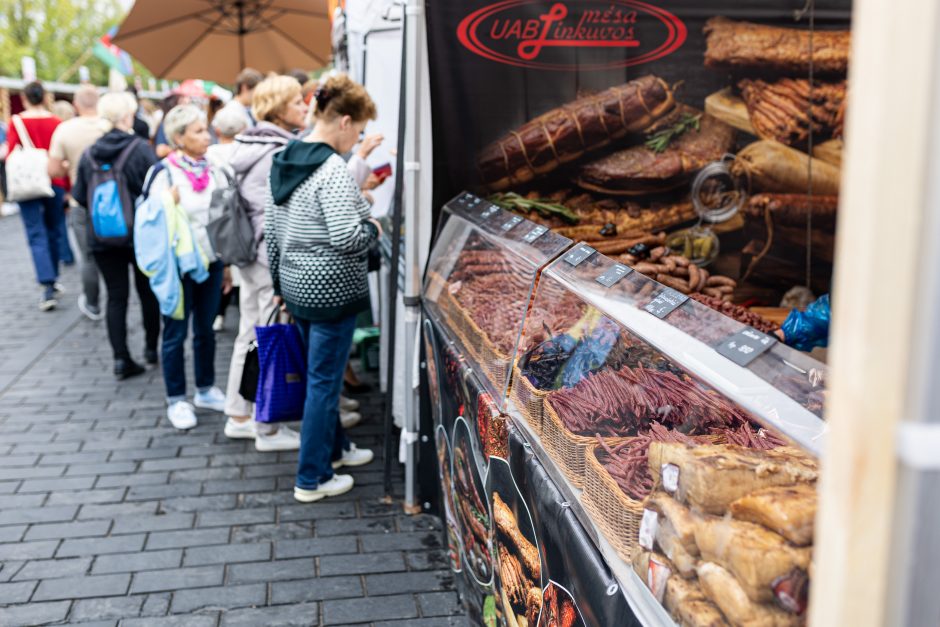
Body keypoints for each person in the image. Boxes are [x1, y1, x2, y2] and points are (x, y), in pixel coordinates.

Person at [267, 74, 381, 503]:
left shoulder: (284, 158)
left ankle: (336, 451)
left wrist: (279, 283)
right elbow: (346, 237)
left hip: (297, 285)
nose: (358, 140)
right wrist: (373, 226)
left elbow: (272, 232)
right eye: (361, 129)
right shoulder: (331, 167)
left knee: (321, 377)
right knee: (323, 383)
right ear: (344, 122)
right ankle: (311, 477)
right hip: (332, 290)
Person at [221, 75, 309, 452]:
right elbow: (277, 214)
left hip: (249, 253)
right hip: (263, 256)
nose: (305, 107)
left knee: (251, 332)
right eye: (297, 102)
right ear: (278, 107)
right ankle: (266, 426)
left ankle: (239, 413)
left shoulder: (249, 144)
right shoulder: (275, 151)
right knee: (267, 334)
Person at [147, 104, 228, 430]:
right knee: (175, 333)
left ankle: (205, 388)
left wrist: (228, 265)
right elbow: (151, 222)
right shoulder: (164, 173)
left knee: (205, 330)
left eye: (205, 129)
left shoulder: (215, 168)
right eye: (197, 131)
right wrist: (167, 202)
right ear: (179, 137)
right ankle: (176, 399)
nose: (206, 136)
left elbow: (222, 217)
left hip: (210, 262)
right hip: (179, 267)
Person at [72, 93, 160, 379]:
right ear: (127, 117)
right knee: (147, 292)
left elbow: (81, 197)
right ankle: (150, 348)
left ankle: (121, 359)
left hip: (103, 238)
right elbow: (155, 192)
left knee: (116, 296)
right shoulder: (140, 149)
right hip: (140, 235)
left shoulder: (89, 153)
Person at [4, 81, 69, 311]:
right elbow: (63, 156)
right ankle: (53, 276)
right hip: (54, 181)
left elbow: (12, 152)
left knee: (35, 233)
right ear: (44, 97)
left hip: (28, 182)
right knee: (54, 230)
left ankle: (47, 283)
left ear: (24, 99)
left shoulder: (17, 122)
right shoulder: (56, 122)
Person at [48, 85, 109, 321]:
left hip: (81, 200)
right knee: (119, 254)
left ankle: (93, 303)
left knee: (88, 256)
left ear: (76, 104)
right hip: (114, 200)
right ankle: (117, 297)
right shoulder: (110, 126)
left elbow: (52, 170)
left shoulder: (65, 130)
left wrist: (68, 166)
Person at [205, 104, 248, 334]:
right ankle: (245, 320)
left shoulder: (209, 155)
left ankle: (218, 315)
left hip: (218, 222)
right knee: (243, 276)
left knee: (223, 271)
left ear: (218, 130)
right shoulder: (246, 153)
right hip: (243, 223)